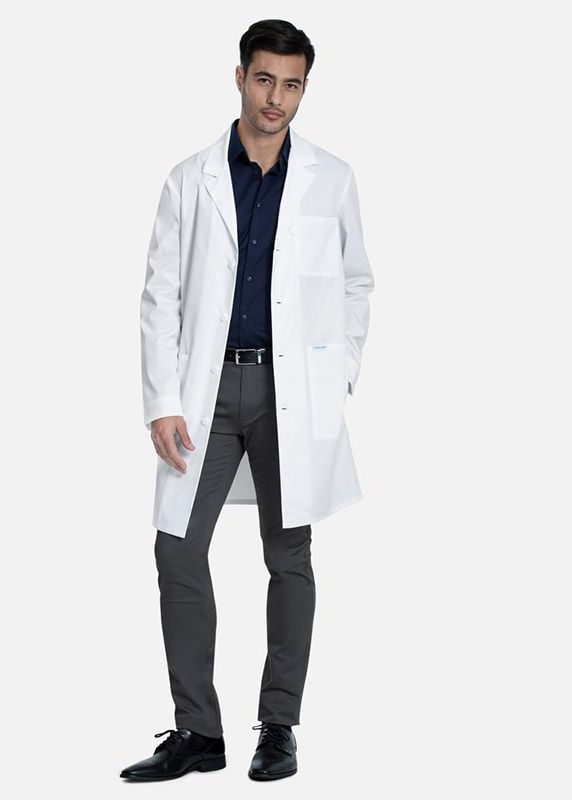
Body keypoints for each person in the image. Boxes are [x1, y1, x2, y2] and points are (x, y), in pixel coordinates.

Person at [120, 18, 374, 783]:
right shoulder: (189, 178)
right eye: (264, 79)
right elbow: (160, 294)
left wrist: (337, 372)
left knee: (288, 554)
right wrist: (163, 400)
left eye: (291, 84)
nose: (276, 98)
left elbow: (356, 282)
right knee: (176, 546)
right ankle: (199, 731)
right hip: (204, 391)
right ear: (240, 77)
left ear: (304, 88)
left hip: (289, 391)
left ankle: (279, 726)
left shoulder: (330, 178)